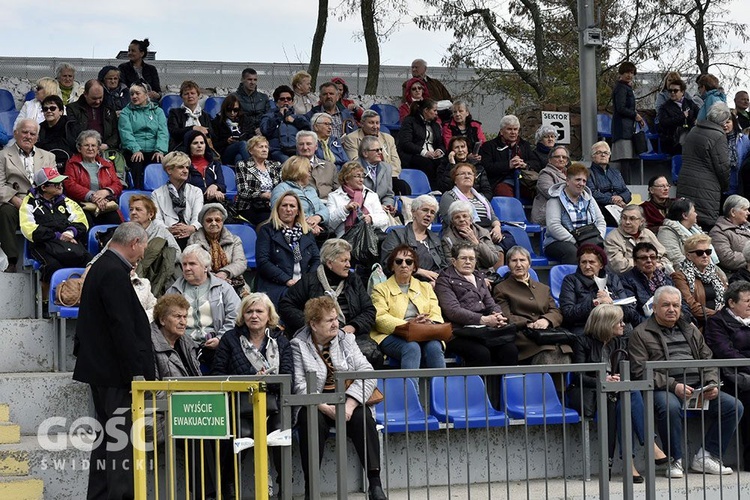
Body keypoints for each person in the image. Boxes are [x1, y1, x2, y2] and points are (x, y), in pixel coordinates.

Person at [73, 222, 153, 499]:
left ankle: (100, 495)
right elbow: (121, 326)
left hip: (104, 371)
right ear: (134, 243)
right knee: (121, 444)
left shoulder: (103, 267)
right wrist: (136, 374)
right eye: (143, 246)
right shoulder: (112, 272)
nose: (143, 253)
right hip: (116, 374)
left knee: (107, 440)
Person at [629, 285, 743, 478]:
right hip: (664, 388)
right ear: (654, 307)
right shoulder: (640, 333)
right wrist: (674, 386)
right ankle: (675, 460)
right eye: (666, 305)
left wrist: (712, 382)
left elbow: (708, 359)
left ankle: (707, 456)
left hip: (698, 388)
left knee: (733, 406)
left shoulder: (690, 330)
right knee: (670, 406)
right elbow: (639, 371)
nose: (672, 309)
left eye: (676, 305)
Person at [292, 296, 387, 500]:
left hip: (347, 399)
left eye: (336, 318)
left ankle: (375, 485)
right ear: (314, 325)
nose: (336, 323)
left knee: (363, 418)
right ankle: (312, 489)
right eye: (329, 320)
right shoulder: (297, 345)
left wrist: (350, 406)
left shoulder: (346, 339)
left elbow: (367, 373)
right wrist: (325, 407)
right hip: (316, 402)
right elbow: (299, 385)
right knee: (310, 421)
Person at [570, 304, 667, 482]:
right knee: (630, 393)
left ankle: (630, 465)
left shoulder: (619, 341)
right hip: (595, 393)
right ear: (605, 324)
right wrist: (603, 381)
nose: (623, 325)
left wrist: (618, 378)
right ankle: (648, 445)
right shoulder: (582, 341)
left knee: (626, 400)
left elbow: (625, 371)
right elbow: (577, 376)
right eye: (619, 321)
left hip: (618, 393)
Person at [212, 292, 292, 497]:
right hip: (239, 405)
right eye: (249, 311)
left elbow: (288, 376)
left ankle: (284, 487)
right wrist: (251, 378)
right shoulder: (230, 339)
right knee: (238, 433)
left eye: (259, 311)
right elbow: (218, 374)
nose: (254, 315)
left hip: (273, 405)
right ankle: (228, 487)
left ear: (269, 315)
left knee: (280, 433)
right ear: (242, 315)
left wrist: (266, 383)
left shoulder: (280, 340)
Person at [279, 239, 378, 365]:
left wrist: (353, 326)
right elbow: (286, 305)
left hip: (351, 335)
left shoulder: (354, 280)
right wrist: (314, 325)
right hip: (318, 337)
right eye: (344, 261)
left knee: (372, 353)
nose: (349, 265)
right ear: (330, 263)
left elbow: (369, 310)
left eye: (349, 260)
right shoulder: (309, 281)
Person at [435, 243, 518, 367]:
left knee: (510, 349)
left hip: (483, 330)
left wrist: (498, 315)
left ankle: (501, 386)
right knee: (481, 353)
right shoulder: (444, 280)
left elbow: (490, 303)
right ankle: (479, 386)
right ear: (454, 261)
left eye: (471, 259)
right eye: (463, 258)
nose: (468, 262)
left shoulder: (479, 277)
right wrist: (483, 320)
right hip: (458, 332)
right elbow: (453, 311)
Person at [370, 245, 446, 370]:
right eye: (398, 261)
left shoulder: (426, 287)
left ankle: (442, 389)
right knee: (412, 347)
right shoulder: (380, 289)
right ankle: (410, 389)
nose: (404, 265)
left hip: (424, 331)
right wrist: (408, 325)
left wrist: (429, 322)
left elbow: (435, 312)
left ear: (414, 267)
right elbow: (380, 318)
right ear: (392, 266)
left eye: (409, 262)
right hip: (392, 334)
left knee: (435, 347)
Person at [166, 244, 241, 369]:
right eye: (184, 264)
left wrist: (220, 338)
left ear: (205, 267)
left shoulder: (223, 288)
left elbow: (235, 316)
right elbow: (165, 321)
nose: (187, 268)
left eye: (192, 264)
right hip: (182, 348)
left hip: (218, 348)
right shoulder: (173, 290)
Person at [493, 245, 568, 364]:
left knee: (564, 353)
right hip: (523, 336)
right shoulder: (501, 289)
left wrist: (546, 321)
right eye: (514, 261)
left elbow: (556, 311)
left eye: (522, 260)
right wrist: (529, 323)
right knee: (547, 355)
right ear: (508, 265)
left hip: (547, 332)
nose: (518, 264)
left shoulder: (543, 288)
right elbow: (505, 316)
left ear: (529, 264)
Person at [704, 280, 750, 470]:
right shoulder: (717, 322)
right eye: (748, 301)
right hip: (732, 376)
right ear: (732, 303)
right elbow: (725, 352)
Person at [0, 119, 56, 272]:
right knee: (5, 212)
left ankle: (49, 257)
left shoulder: (48, 157)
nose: (28, 136)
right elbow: (0, 184)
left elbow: (54, 184)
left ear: (37, 138)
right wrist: (17, 200)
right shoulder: (3, 155)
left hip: (42, 201)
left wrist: (42, 200)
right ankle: (12, 261)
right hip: (15, 201)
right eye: (25, 132)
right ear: (15, 133)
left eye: (33, 134)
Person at [20, 166, 91, 283]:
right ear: (43, 187)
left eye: (61, 182)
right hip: (42, 245)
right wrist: (57, 236)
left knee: (90, 261)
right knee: (52, 266)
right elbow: (29, 229)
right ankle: (46, 298)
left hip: (67, 242)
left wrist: (70, 232)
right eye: (56, 183)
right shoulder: (29, 203)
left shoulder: (66, 201)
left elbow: (82, 221)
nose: (60, 186)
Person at [255, 191, 320, 306]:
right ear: (277, 209)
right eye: (284, 205)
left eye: (292, 206)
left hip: (304, 283)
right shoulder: (267, 230)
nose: (288, 209)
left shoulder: (306, 232)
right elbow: (263, 261)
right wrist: (287, 280)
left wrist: (306, 281)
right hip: (277, 284)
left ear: (298, 211)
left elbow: (316, 260)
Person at [559, 244, 639, 335]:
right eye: (583, 262)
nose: (587, 266)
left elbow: (631, 312)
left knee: (629, 329)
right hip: (585, 325)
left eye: (592, 262)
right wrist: (595, 303)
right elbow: (568, 313)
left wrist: (612, 302)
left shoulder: (612, 279)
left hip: (613, 323)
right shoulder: (571, 280)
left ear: (601, 265)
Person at [676, 102, 731, 230]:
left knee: (685, 221)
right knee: (704, 226)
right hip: (707, 187)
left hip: (685, 181)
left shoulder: (694, 130)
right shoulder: (718, 136)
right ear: (723, 121)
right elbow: (723, 166)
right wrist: (725, 186)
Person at [543, 162, 606, 264]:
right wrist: (575, 241)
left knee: (603, 250)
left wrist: (598, 238)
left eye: (584, 181)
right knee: (573, 252)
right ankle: (573, 279)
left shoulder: (590, 199)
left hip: (588, 240)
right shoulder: (554, 200)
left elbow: (600, 221)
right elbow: (553, 226)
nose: (581, 183)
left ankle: (600, 279)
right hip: (559, 241)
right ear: (567, 181)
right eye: (578, 180)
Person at [380, 195, 447, 285]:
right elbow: (387, 264)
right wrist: (418, 271)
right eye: (425, 210)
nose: (428, 215)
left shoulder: (435, 239)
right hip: (404, 284)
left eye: (432, 212)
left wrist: (437, 281)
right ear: (413, 212)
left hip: (433, 285)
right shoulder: (396, 235)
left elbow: (443, 266)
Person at [63, 130, 124, 227]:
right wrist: (92, 196)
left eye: (93, 145)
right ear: (79, 148)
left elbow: (117, 184)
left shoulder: (107, 164)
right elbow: (70, 185)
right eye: (86, 145)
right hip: (82, 205)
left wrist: (106, 192)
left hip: (105, 204)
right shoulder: (72, 164)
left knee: (117, 224)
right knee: (86, 224)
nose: (90, 148)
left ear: (98, 148)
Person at [187, 203, 247, 297]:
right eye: (209, 220)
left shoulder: (234, 240)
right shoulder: (194, 240)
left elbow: (240, 262)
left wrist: (224, 273)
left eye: (217, 220)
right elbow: (193, 264)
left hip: (232, 280)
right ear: (203, 223)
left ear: (222, 222)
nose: (213, 223)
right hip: (203, 282)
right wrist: (214, 278)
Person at [621, 242, 687, 324]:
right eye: (643, 258)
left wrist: (684, 321)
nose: (649, 261)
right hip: (647, 326)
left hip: (673, 323)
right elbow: (632, 313)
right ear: (635, 261)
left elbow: (682, 303)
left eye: (652, 257)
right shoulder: (627, 280)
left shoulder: (665, 278)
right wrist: (655, 325)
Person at [128, 194, 181, 296]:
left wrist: (155, 260)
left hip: (157, 274)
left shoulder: (162, 232)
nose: (133, 212)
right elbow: (107, 252)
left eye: (138, 209)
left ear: (150, 214)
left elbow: (177, 254)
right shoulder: (124, 231)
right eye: (131, 209)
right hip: (131, 273)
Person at [672, 233, 728, 328]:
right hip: (701, 325)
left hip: (722, 320)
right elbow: (691, 306)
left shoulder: (716, 273)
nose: (705, 255)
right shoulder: (680, 277)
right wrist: (718, 315)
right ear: (688, 256)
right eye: (699, 253)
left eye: (708, 252)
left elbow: (728, 296)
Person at [118, 82, 168, 189]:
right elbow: (126, 133)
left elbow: (163, 132)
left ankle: (158, 191)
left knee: (160, 161)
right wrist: (135, 149)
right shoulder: (126, 112)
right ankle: (137, 190)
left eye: (137, 93)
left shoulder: (158, 111)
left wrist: (160, 150)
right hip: (134, 150)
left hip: (154, 150)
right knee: (136, 160)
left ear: (146, 95)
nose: (134, 96)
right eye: (132, 94)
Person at [150, 151, 204, 249]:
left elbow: (198, 216)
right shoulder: (156, 194)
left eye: (187, 167)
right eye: (181, 167)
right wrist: (168, 230)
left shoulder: (196, 191)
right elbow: (156, 219)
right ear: (169, 170)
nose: (185, 171)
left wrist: (191, 228)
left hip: (192, 235)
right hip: (167, 236)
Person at [479, 114, 538, 197]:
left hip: (524, 181)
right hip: (500, 182)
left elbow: (536, 163)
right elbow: (486, 166)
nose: (513, 132)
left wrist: (524, 164)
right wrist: (508, 165)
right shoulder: (489, 146)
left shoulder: (524, 145)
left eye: (515, 129)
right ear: (502, 131)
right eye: (509, 129)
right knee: (504, 193)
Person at [269, 155, 329, 235]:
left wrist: (317, 218)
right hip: (291, 232)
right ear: (300, 171)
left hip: (315, 229)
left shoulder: (311, 190)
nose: (310, 175)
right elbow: (279, 213)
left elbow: (325, 210)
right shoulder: (281, 189)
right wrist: (307, 224)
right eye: (308, 171)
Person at [327, 161, 388, 238]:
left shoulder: (371, 195)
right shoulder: (334, 196)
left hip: (369, 237)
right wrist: (345, 209)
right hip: (344, 239)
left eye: (362, 176)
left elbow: (384, 219)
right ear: (347, 178)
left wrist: (370, 218)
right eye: (357, 176)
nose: (361, 180)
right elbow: (330, 224)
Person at [604, 204, 672, 274]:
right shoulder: (613, 237)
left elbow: (664, 255)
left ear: (641, 221)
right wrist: (648, 264)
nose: (627, 222)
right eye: (624, 218)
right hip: (626, 279)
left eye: (632, 218)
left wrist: (662, 264)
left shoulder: (647, 233)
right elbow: (619, 266)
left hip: (653, 274)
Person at [438, 162, 500, 233]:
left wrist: (497, 228)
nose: (467, 176)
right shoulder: (448, 196)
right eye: (462, 174)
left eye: (470, 174)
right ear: (455, 180)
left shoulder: (481, 197)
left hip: (488, 233)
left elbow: (493, 217)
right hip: (463, 235)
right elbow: (451, 221)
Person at [441, 200, 503, 271]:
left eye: (465, 216)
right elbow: (451, 265)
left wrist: (476, 242)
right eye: (457, 217)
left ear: (471, 219)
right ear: (452, 222)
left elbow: (492, 260)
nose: (461, 219)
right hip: (461, 278)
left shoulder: (483, 232)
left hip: (487, 275)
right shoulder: (447, 239)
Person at [610, 61, 645, 183]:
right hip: (622, 129)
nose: (629, 75)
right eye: (627, 72)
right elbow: (621, 108)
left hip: (626, 128)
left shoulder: (625, 88)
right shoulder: (621, 88)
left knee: (627, 160)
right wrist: (636, 115)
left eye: (631, 72)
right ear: (621, 73)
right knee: (624, 160)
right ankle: (626, 186)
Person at [657, 197, 718, 268]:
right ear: (685, 215)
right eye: (694, 211)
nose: (696, 214)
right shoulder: (667, 233)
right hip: (686, 275)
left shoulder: (696, 230)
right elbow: (676, 260)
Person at [234, 135, 282, 224]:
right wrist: (262, 195)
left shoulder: (275, 165)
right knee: (271, 221)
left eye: (266, 147)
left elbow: (281, 186)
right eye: (261, 147)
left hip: (273, 204)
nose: (264, 150)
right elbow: (243, 191)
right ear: (251, 151)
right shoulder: (242, 165)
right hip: (250, 206)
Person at [398, 99, 445, 189]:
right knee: (427, 163)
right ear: (426, 110)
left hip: (433, 156)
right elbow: (405, 143)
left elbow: (441, 143)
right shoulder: (410, 121)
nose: (436, 113)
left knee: (443, 163)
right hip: (413, 155)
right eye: (434, 110)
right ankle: (431, 189)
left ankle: (441, 191)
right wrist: (424, 153)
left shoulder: (435, 125)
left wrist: (439, 151)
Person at [342, 109, 402, 179]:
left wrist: (384, 176)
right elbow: (355, 163)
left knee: (403, 186)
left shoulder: (388, 138)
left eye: (377, 123)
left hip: (388, 176)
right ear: (362, 124)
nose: (375, 126)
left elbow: (396, 164)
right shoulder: (351, 138)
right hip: (365, 177)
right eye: (371, 123)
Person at [66, 79, 120, 152]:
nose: (98, 102)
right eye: (94, 98)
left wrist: (108, 145)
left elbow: (116, 131)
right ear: (85, 94)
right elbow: (73, 133)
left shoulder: (109, 109)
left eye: (100, 97)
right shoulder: (72, 109)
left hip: (106, 150)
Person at [261, 85, 311, 163]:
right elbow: (265, 130)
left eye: (289, 99)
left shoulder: (298, 117)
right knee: (288, 162)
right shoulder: (269, 116)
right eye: (282, 99)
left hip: (296, 150)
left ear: (292, 101)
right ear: (276, 102)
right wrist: (279, 116)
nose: (286, 101)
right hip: (277, 151)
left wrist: (294, 121)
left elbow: (309, 129)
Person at [587, 141, 632, 225]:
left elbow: (627, 192)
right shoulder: (588, 172)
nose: (603, 155)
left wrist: (621, 197)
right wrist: (612, 200)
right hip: (601, 210)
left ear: (609, 156)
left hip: (618, 208)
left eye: (606, 153)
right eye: (599, 152)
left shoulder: (616, 173)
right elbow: (591, 193)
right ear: (593, 157)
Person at [657, 78, 700, 155]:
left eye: (675, 91)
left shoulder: (690, 103)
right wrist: (681, 116)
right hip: (672, 139)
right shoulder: (665, 107)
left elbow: (699, 114)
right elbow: (663, 123)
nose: (672, 93)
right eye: (670, 91)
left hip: (689, 134)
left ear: (682, 92)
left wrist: (696, 120)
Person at [167, 80, 214, 151]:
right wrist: (193, 128)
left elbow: (212, 134)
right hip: (181, 147)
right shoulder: (175, 113)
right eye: (186, 94)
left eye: (193, 93)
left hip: (202, 148)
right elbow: (174, 132)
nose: (190, 96)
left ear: (198, 96)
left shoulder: (205, 115)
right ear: (182, 97)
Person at [181, 130, 226, 203]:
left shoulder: (215, 164)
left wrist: (215, 186)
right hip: (192, 202)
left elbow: (223, 186)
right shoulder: (184, 165)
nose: (199, 146)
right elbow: (186, 188)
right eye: (195, 143)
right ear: (189, 146)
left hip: (214, 201)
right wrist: (211, 191)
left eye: (202, 143)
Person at [356, 136, 398, 215]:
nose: (380, 152)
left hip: (381, 213)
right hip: (361, 213)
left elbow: (388, 194)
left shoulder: (387, 168)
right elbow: (351, 196)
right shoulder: (353, 168)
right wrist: (376, 207)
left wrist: (388, 206)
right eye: (376, 150)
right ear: (365, 153)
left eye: (380, 149)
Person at [295, 128, 340, 201]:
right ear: (297, 147)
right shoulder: (290, 167)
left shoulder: (330, 167)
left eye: (309, 144)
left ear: (316, 146)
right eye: (301, 144)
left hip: (330, 204)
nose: (305, 147)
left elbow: (338, 191)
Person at [709, 195, 750, 272]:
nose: (748, 213)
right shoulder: (718, 232)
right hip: (739, 276)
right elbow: (728, 259)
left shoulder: (747, 227)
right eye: (745, 209)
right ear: (733, 212)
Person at [531, 146, 570, 225]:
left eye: (564, 157)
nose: (561, 159)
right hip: (546, 214)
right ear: (549, 160)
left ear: (567, 161)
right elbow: (551, 193)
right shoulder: (545, 173)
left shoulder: (570, 174)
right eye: (557, 157)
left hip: (564, 213)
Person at [212, 94, 253, 165]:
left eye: (235, 110)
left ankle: (243, 175)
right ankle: (254, 169)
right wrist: (226, 141)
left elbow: (251, 135)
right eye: (229, 110)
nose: (232, 113)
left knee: (239, 157)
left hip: (242, 151)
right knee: (242, 144)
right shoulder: (217, 122)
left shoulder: (244, 120)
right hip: (225, 152)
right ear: (224, 109)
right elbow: (214, 144)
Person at [36, 95, 78, 167]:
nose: (48, 111)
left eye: (52, 108)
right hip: (47, 166)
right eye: (45, 109)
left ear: (61, 111)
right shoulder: (39, 128)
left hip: (70, 165)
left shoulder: (70, 125)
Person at [232, 67, 270, 134]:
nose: (252, 82)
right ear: (242, 80)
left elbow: (268, 116)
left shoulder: (264, 97)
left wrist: (262, 128)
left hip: (262, 132)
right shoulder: (234, 97)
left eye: (255, 80)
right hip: (243, 132)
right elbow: (232, 118)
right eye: (249, 79)